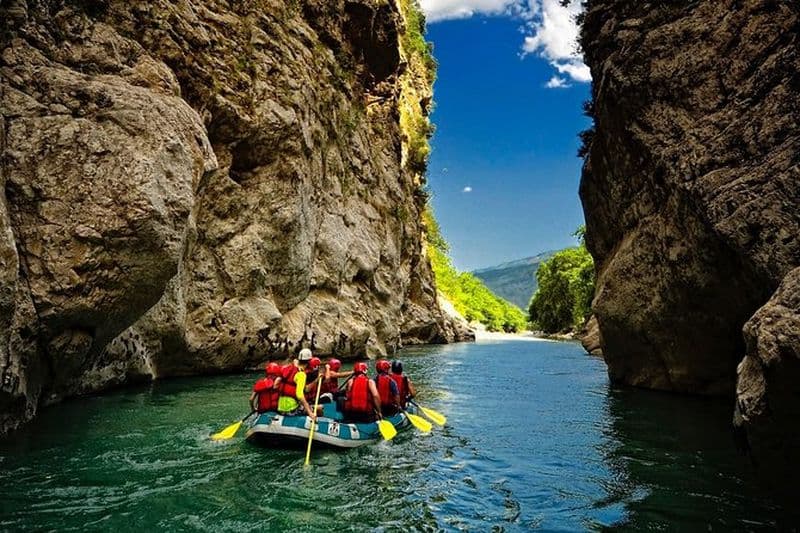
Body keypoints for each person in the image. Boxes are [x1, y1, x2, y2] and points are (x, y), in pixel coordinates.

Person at [277, 348, 317, 419]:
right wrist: (310, 413)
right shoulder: (301, 375)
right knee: (319, 409)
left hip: (280, 408)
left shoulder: (289, 368)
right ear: (309, 362)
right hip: (291, 409)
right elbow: (299, 395)